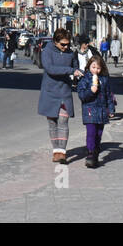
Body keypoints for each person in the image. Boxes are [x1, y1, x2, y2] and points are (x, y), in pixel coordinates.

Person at [39, 28, 81, 163]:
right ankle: (55, 151)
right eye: (63, 44)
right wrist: (70, 71)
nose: (66, 47)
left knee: (63, 121)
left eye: (68, 44)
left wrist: (77, 76)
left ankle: (62, 152)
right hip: (50, 91)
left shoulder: (70, 53)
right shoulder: (47, 51)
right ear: (55, 42)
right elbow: (50, 69)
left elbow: (76, 67)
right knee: (52, 123)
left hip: (64, 91)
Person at [77, 53, 117, 168]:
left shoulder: (104, 80)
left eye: (98, 68)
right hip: (89, 110)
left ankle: (95, 153)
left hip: (102, 111)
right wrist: (91, 91)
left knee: (98, 134)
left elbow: (109, 95)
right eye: (93, 67)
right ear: (89, 66)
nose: (96, 70)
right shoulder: (85, 79)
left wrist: (111, 109)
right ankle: (90, 153)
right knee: (91, 133)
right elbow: (82, 95)